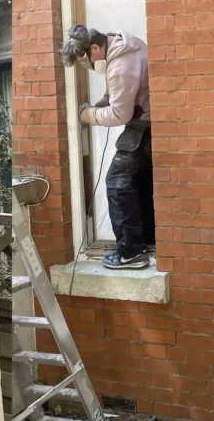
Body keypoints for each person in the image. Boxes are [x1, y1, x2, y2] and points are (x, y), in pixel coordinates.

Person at [61, 25, 154, 270]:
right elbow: (114, 96)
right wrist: (98, 104)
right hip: (148, 122)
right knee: (139, 183)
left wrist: (88, 115)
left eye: (86, 61)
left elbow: (119, 114)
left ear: (94, 47)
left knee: (118, 183)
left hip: (143, 124)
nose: (89, 66)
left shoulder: (121, 65)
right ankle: (147, 242)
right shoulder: (122, 47)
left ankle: (130, 253)